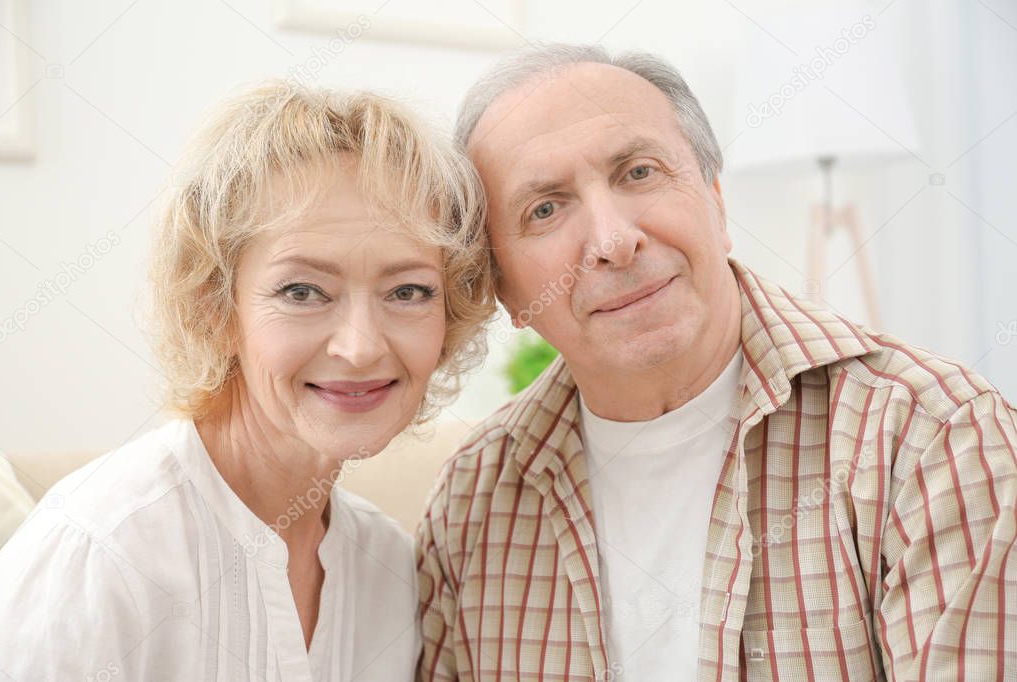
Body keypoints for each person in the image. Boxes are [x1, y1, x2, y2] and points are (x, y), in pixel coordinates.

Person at [416, 44, 1017, 681]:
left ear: (716, 199)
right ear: (503, 288)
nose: (616, 241)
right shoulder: (470, 500)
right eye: (545, 209)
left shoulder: (936, 442)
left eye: (639, 173)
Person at [0, 81, 495, 681]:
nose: (361, 347)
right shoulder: (102, 552)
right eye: (302, 291)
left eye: (408, 291)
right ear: (215, 306)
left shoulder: (386, 565)